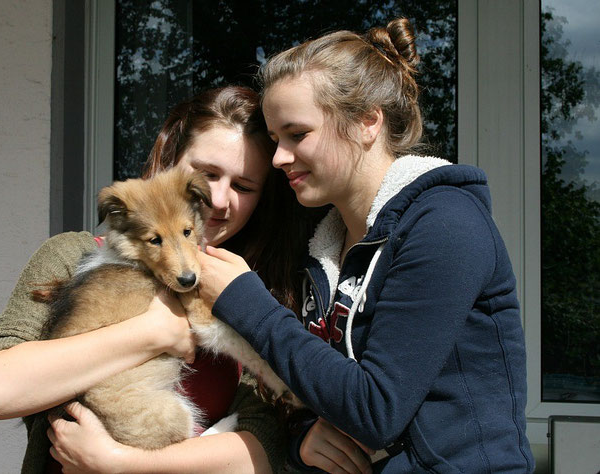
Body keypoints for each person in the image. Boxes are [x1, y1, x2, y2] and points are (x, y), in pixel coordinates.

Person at [195, 20, 535, 472]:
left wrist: (245, 301)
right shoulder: (325, 246)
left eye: (297, 134)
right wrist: (302, 442)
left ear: (367, 121)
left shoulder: (446, 224)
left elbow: (376, 411)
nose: (278, 158)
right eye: (276, 140)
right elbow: (316, 389)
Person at [0, 86, 321, 474]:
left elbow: (261, 449)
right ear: (172, 161)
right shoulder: (72, 256)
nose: (219, 199)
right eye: (207, 174)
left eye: (243, 186)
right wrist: (153, 332)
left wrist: (122, 463)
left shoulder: (249, 291)